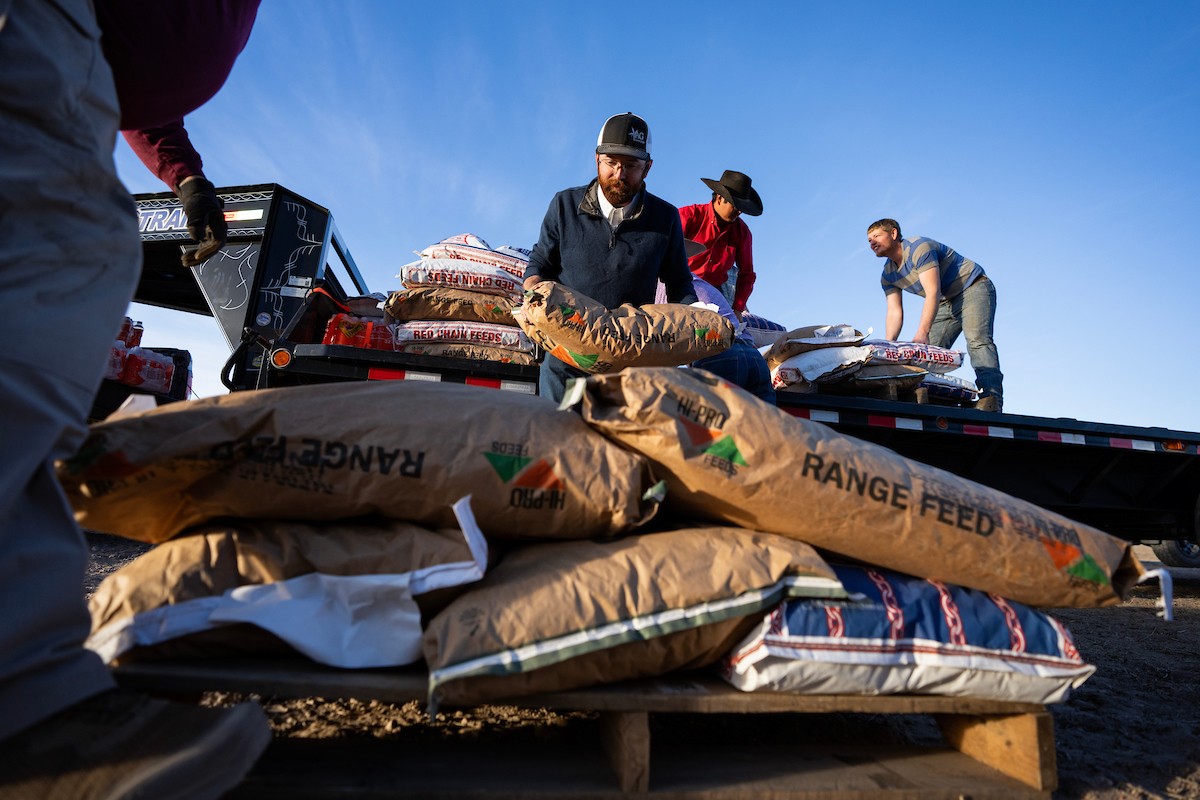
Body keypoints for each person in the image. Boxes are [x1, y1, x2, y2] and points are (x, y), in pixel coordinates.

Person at [0, 2, 269, 797]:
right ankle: (21, 708)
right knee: (52, 261)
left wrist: (182, 172)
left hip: (76, 62)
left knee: (58, 269)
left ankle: (21, 693)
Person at [523, 112, 697, 403]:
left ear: (647, 168)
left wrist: (696, 319)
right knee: (562, 437)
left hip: (630, 359)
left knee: (617, 446)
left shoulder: (665, 218)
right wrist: (534, 291)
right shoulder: (565, 205)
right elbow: (540, 263)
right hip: (569, 356)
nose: (619, 174)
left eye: (631, 165)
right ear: (596, 160)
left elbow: (680, 283)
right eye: (611, 163)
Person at [866, 218, 1004, 412]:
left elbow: (932, 291)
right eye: (869, 239)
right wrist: (889, 347)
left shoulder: (918, 248)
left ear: (894, 234)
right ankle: (935, 399)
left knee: (977, 341)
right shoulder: (888, 275)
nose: (872, 242)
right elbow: (894, 311)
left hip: (972, 288)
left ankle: (991, 399)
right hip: (944, 302)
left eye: (877, 236)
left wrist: (922, 332)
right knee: (928, 354)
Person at [678, 170, 762, 318]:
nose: (739, 211)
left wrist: (738, 308)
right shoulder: (688, 216)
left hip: (714, 292)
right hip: (681, 283)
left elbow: (747, 274)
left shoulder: (742, 232)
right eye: (736, 205)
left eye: (742, 207)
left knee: (729, 331)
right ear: (719, 198)